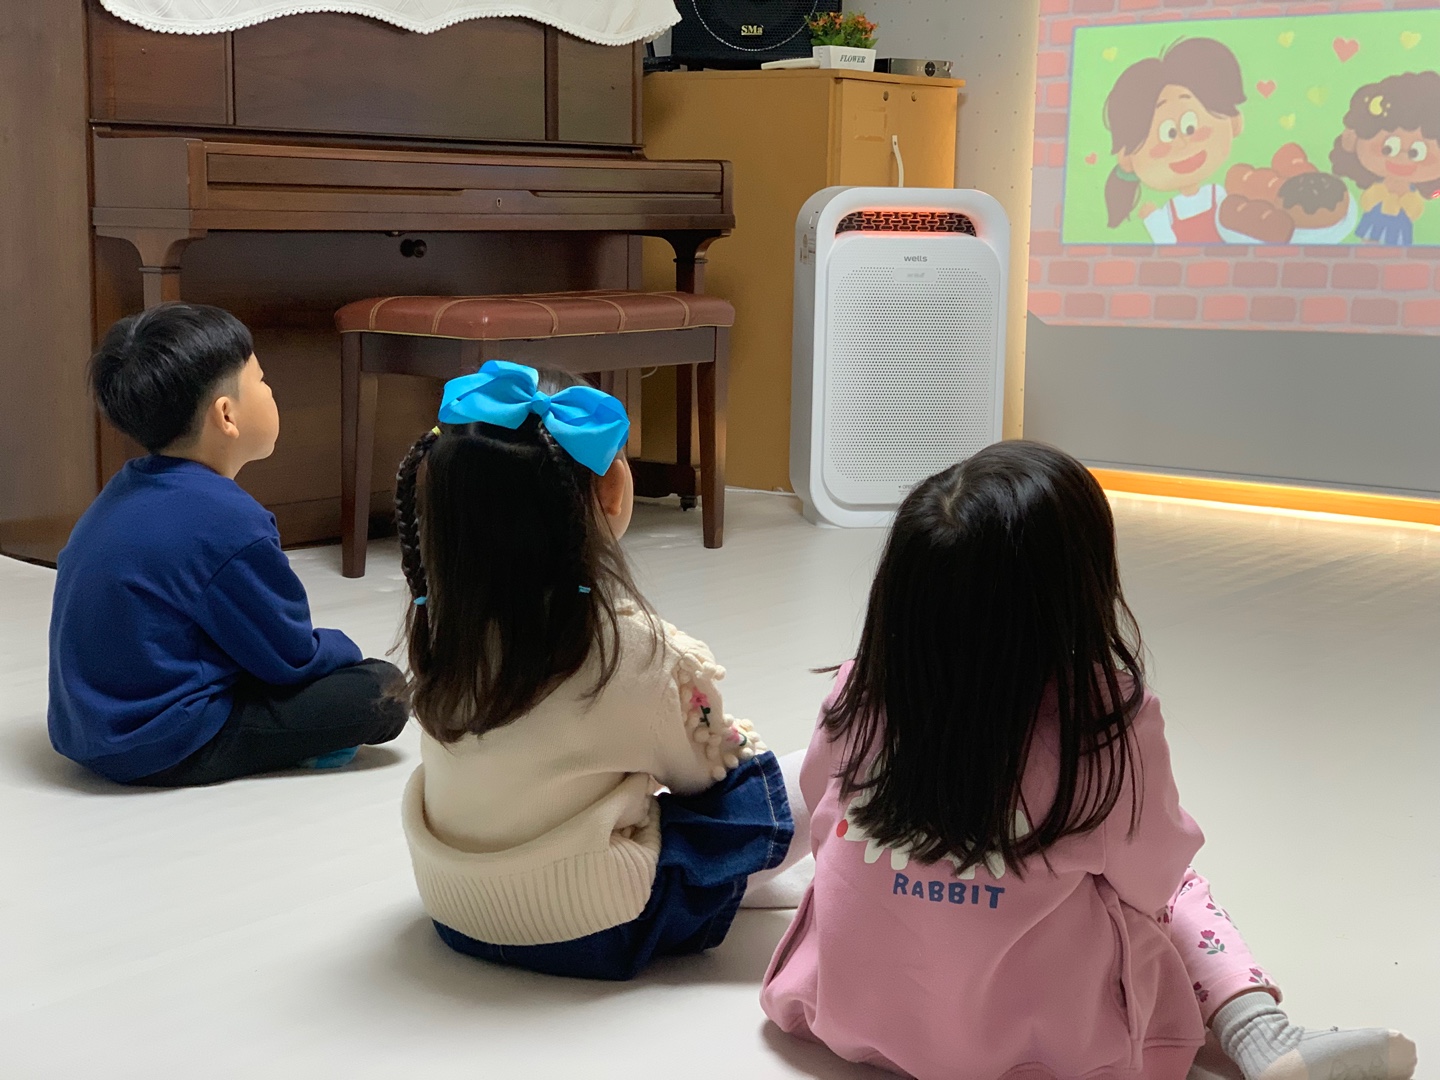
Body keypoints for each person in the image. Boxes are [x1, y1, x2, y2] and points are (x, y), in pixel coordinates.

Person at [760, 443, 1416, 1080]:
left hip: (847, 1018)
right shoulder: (1102, 723)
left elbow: (819, 807)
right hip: (1051, 1052)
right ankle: (1261, 1033)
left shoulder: (857, 690)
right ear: (1079, 589)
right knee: (1182, 888)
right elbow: (1154, 880)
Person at [394, 361, 807, 981]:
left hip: (456, 909)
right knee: (786, 774)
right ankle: (738, 885)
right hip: (590, 926)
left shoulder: (442, 626)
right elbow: (703, 776)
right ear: (612, 492)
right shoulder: (634, 650)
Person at [48, 303, 407, 786]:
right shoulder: (229, 521)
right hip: (159, 743)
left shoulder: (121, 489)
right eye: (261, 380)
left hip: (83, 730)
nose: (270, 391)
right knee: (382, 692)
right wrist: (344, 649)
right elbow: (292, 659)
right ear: (226, 414)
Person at [1104, 37, 1248, 244]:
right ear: (1127, 159)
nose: (1182, 143)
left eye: (1190, 127)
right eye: (1169, 134)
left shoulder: (1218, 195)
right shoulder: (1170, 212)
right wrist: (1153, 219)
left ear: (1234, 121)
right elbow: (1166, 243)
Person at [1331, 72, 1440, 247]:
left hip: (1400, 226)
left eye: (1416, 153)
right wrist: (1379, 195)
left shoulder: (1412, 195)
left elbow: (1414, 211)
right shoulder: (1377, 188)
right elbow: (1368, 202)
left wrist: (1405, 202)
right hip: (1375, 221)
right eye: (1389, 148)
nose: (1402, 158)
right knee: (1369, 243)